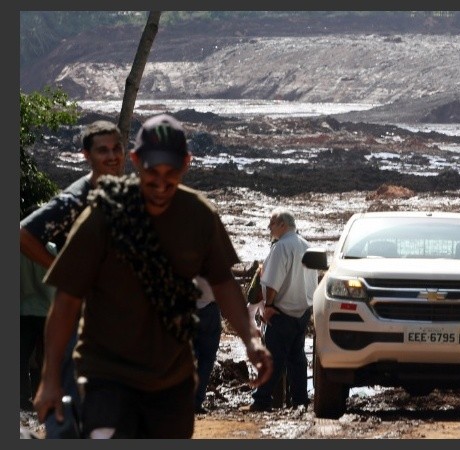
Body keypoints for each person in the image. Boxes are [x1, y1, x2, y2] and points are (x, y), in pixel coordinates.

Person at [33, 113, 273, 438]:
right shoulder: (105, 213)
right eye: (151, 173)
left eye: (171, 173)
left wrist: (251, 340)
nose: (161, 184)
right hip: (107, 378)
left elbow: (224, 284)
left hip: (170, 385)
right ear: (135, 161)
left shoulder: (199, 216)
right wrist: (49, 381)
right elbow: (66, 302)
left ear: (187, 163)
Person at [20, 120, 125, 437]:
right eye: (102, 150)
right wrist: (61, 268)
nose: (111, 156)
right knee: (67, 416)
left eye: (116, 148)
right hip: (80, 323)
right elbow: (23, 234)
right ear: (86, 155)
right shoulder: (76, 198)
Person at [242, 208, 317, 412]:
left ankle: (262, 401)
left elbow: (272, 283)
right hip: (302, 312)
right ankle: (300, 400)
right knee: (297, 358)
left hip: (281, 312)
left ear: (283, 224)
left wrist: (268, 306)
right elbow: (313, 282)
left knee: (273, 359)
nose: (269, 227)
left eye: (272, 223)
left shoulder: (281, 247)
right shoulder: (307, 246)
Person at [20, 236, 57, 411]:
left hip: (24, 309)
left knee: (22, 356)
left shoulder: (19, 247)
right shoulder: (49, 248)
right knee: (46, 357)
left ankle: (22, 398)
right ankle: (43, 396)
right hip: (46, 310)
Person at [192, 276, 222, 414]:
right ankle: (196, 402)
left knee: (184, 358)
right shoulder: (213, 256)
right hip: (209, 310)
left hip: (186, 308)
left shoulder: (180, 255)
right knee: (206, 360)